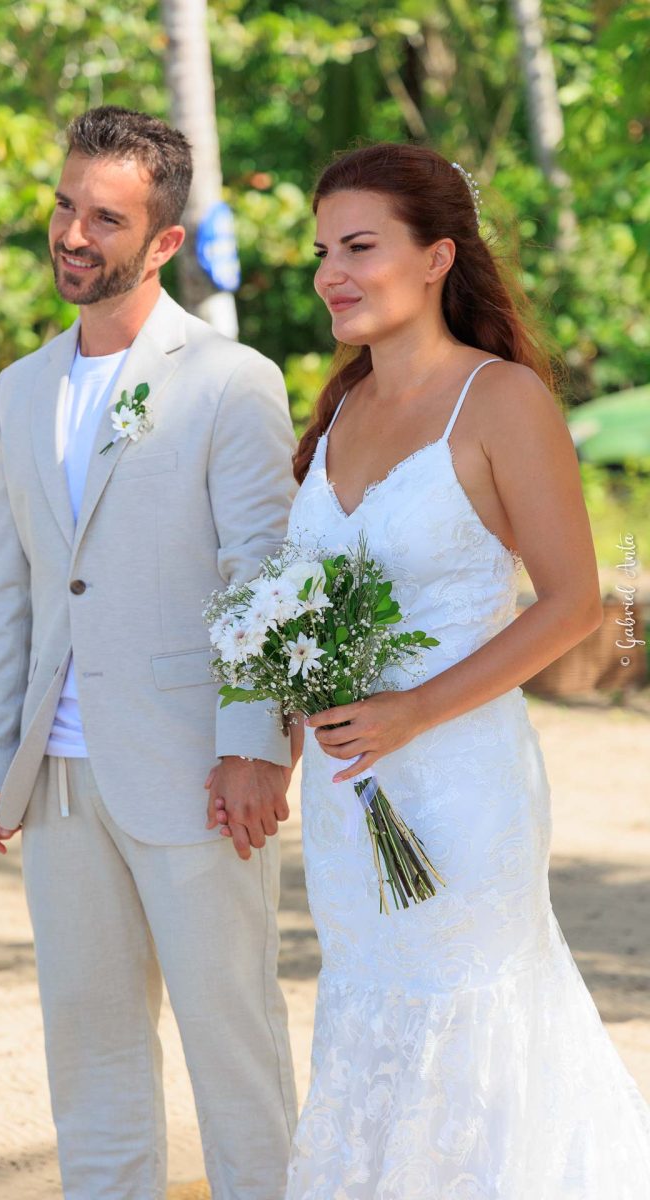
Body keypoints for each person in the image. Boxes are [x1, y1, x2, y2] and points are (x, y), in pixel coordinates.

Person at [282, 143, 650, 1197]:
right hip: (349, 798)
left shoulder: (500, 401)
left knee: (466, 1015)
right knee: (365, 1009)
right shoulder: (341, 406)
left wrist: (414, 710)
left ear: (438, 255)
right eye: (321, 250)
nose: (330, 273)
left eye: (359, 246)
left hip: (460, 788)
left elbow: (575, 601)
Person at [0, 105, 298, 1200]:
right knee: (92, 1062)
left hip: (197, 772)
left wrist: (255, 745)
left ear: (160, 242)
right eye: (64, 204)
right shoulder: (18, 392)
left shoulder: (227, 378)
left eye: (103, 218)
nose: (70, 232)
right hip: (56, 782)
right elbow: (11, 588)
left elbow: (261, 575)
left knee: (233, 1056)